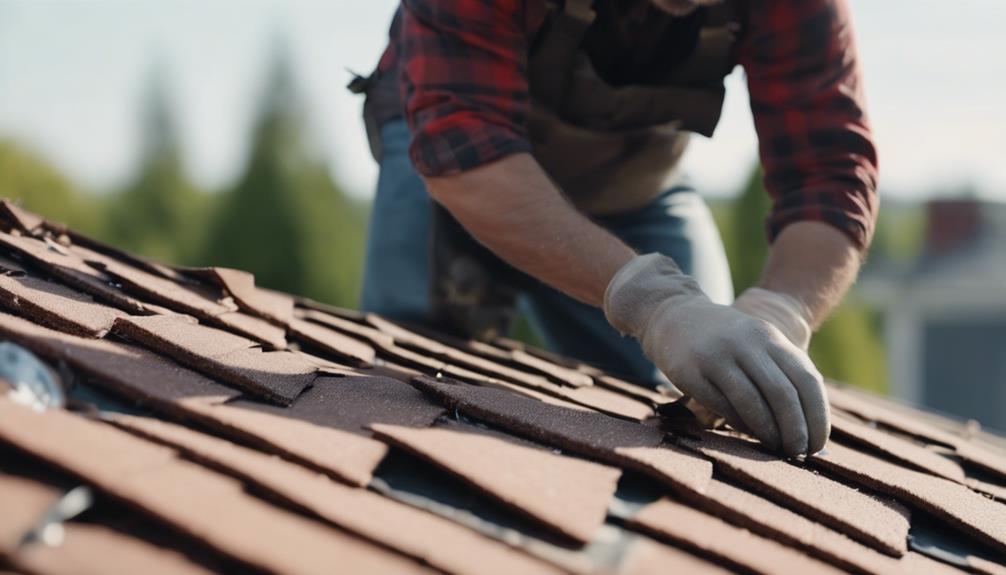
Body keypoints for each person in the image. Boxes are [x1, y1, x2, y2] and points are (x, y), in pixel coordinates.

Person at [351, 0, 878, 457]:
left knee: (705, 390)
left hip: (636, 188)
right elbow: (462, 138)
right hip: (453, 172)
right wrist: (652, 302)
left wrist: (778, 313)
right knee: (413, 384)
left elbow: (830, 174)